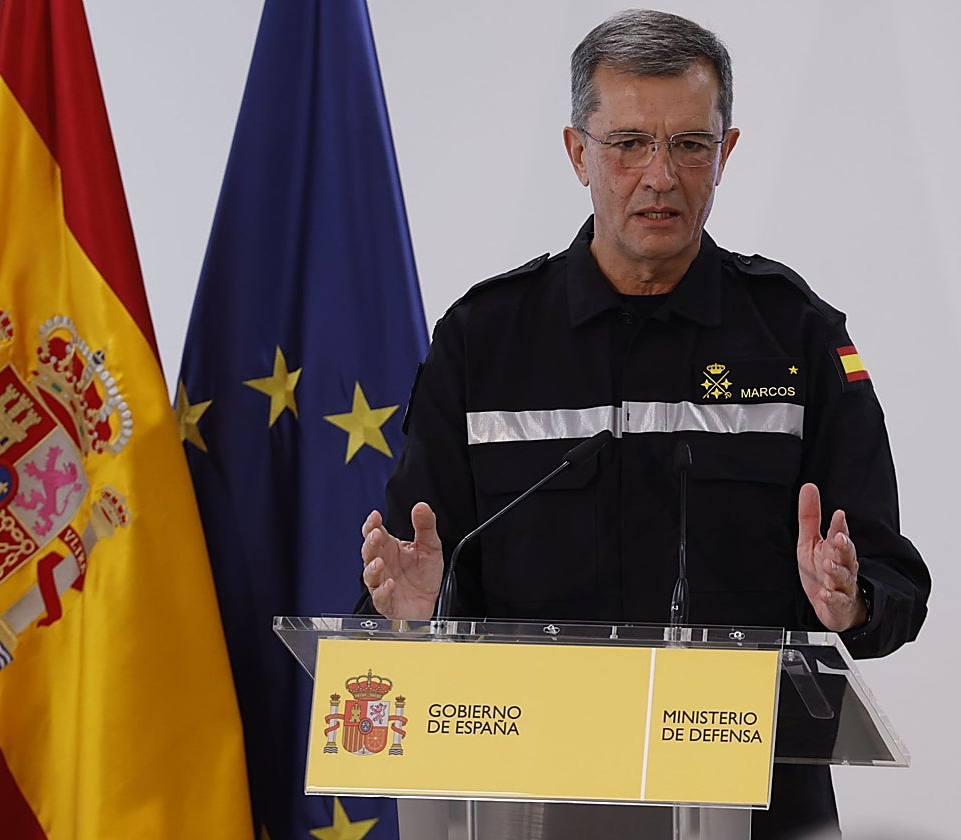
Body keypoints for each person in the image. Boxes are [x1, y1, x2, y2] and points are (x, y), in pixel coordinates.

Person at [357, 9, 930, 840]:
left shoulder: (799, 335)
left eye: (690, 145)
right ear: (576, 151)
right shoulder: (484, 341)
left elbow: (894, 581)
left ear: (725, 154)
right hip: (528, 800)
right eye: (628, 144)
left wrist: (853, 601)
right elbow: (411, 573)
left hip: (752, 801)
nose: (659, 175)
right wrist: (412, 612)